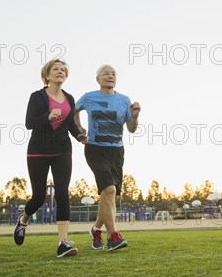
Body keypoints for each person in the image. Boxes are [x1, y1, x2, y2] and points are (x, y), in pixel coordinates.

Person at [14, 59, 87, 258]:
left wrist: (79, 135)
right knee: (39, 197)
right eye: (56, 69)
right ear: (47, 75)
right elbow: (29, 123)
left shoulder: (69, 98)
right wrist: (47, 116)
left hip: (63, 150)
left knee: (63, 193)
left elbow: (71, 125)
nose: (60, 72)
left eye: (63, 69)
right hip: (38, 150)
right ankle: (24, 220)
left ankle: (62, 243)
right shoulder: (37, 96)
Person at [75, 65, 141, 251]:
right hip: (95, 148)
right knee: (109, 190)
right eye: (106, 74)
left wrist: (135, 116)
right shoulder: (89, 97)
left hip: (117, 151)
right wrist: (79, 129)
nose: (110, 76)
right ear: (98, 79)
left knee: (108, 194)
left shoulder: (124, 100)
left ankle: (96, 229)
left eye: (113, 74)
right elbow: (73, 110)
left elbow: (132, 128)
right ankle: (113, 236)